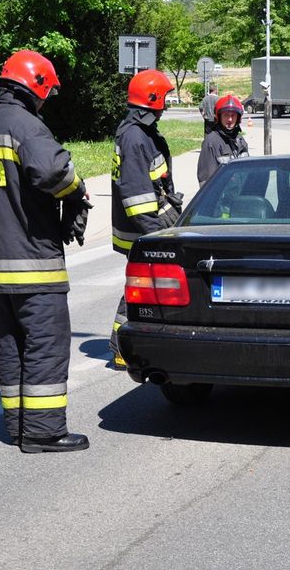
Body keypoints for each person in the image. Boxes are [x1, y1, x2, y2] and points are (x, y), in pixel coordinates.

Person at [0, 50, 92, 453]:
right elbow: (54, 171)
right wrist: (77, 192)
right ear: (35, 85)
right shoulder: (26, 126)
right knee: (46, 343)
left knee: (12, 345)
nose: (45, 101)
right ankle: (44, 432)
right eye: (45, 93)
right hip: (32, 263)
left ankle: (18, 426)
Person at [109, 69, 181, 368]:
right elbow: (137, 196)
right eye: (164, 98)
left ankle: (126, 345)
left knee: (144, 288)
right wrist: (154, 236)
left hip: (147, 226)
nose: (166, 104)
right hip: (143, 229)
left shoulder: (140, 132)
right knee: (140, 289)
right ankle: (121, 347)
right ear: (153, 99)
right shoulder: (135, 138)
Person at [197, 93, 250, 186]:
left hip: (241, 194)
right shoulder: (211, 142)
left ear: (238, 118)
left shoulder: (240, 141)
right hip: (222, 197)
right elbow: (206, 182)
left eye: (233, 115)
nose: (230, 119)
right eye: (226, 115)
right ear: (218, 117)